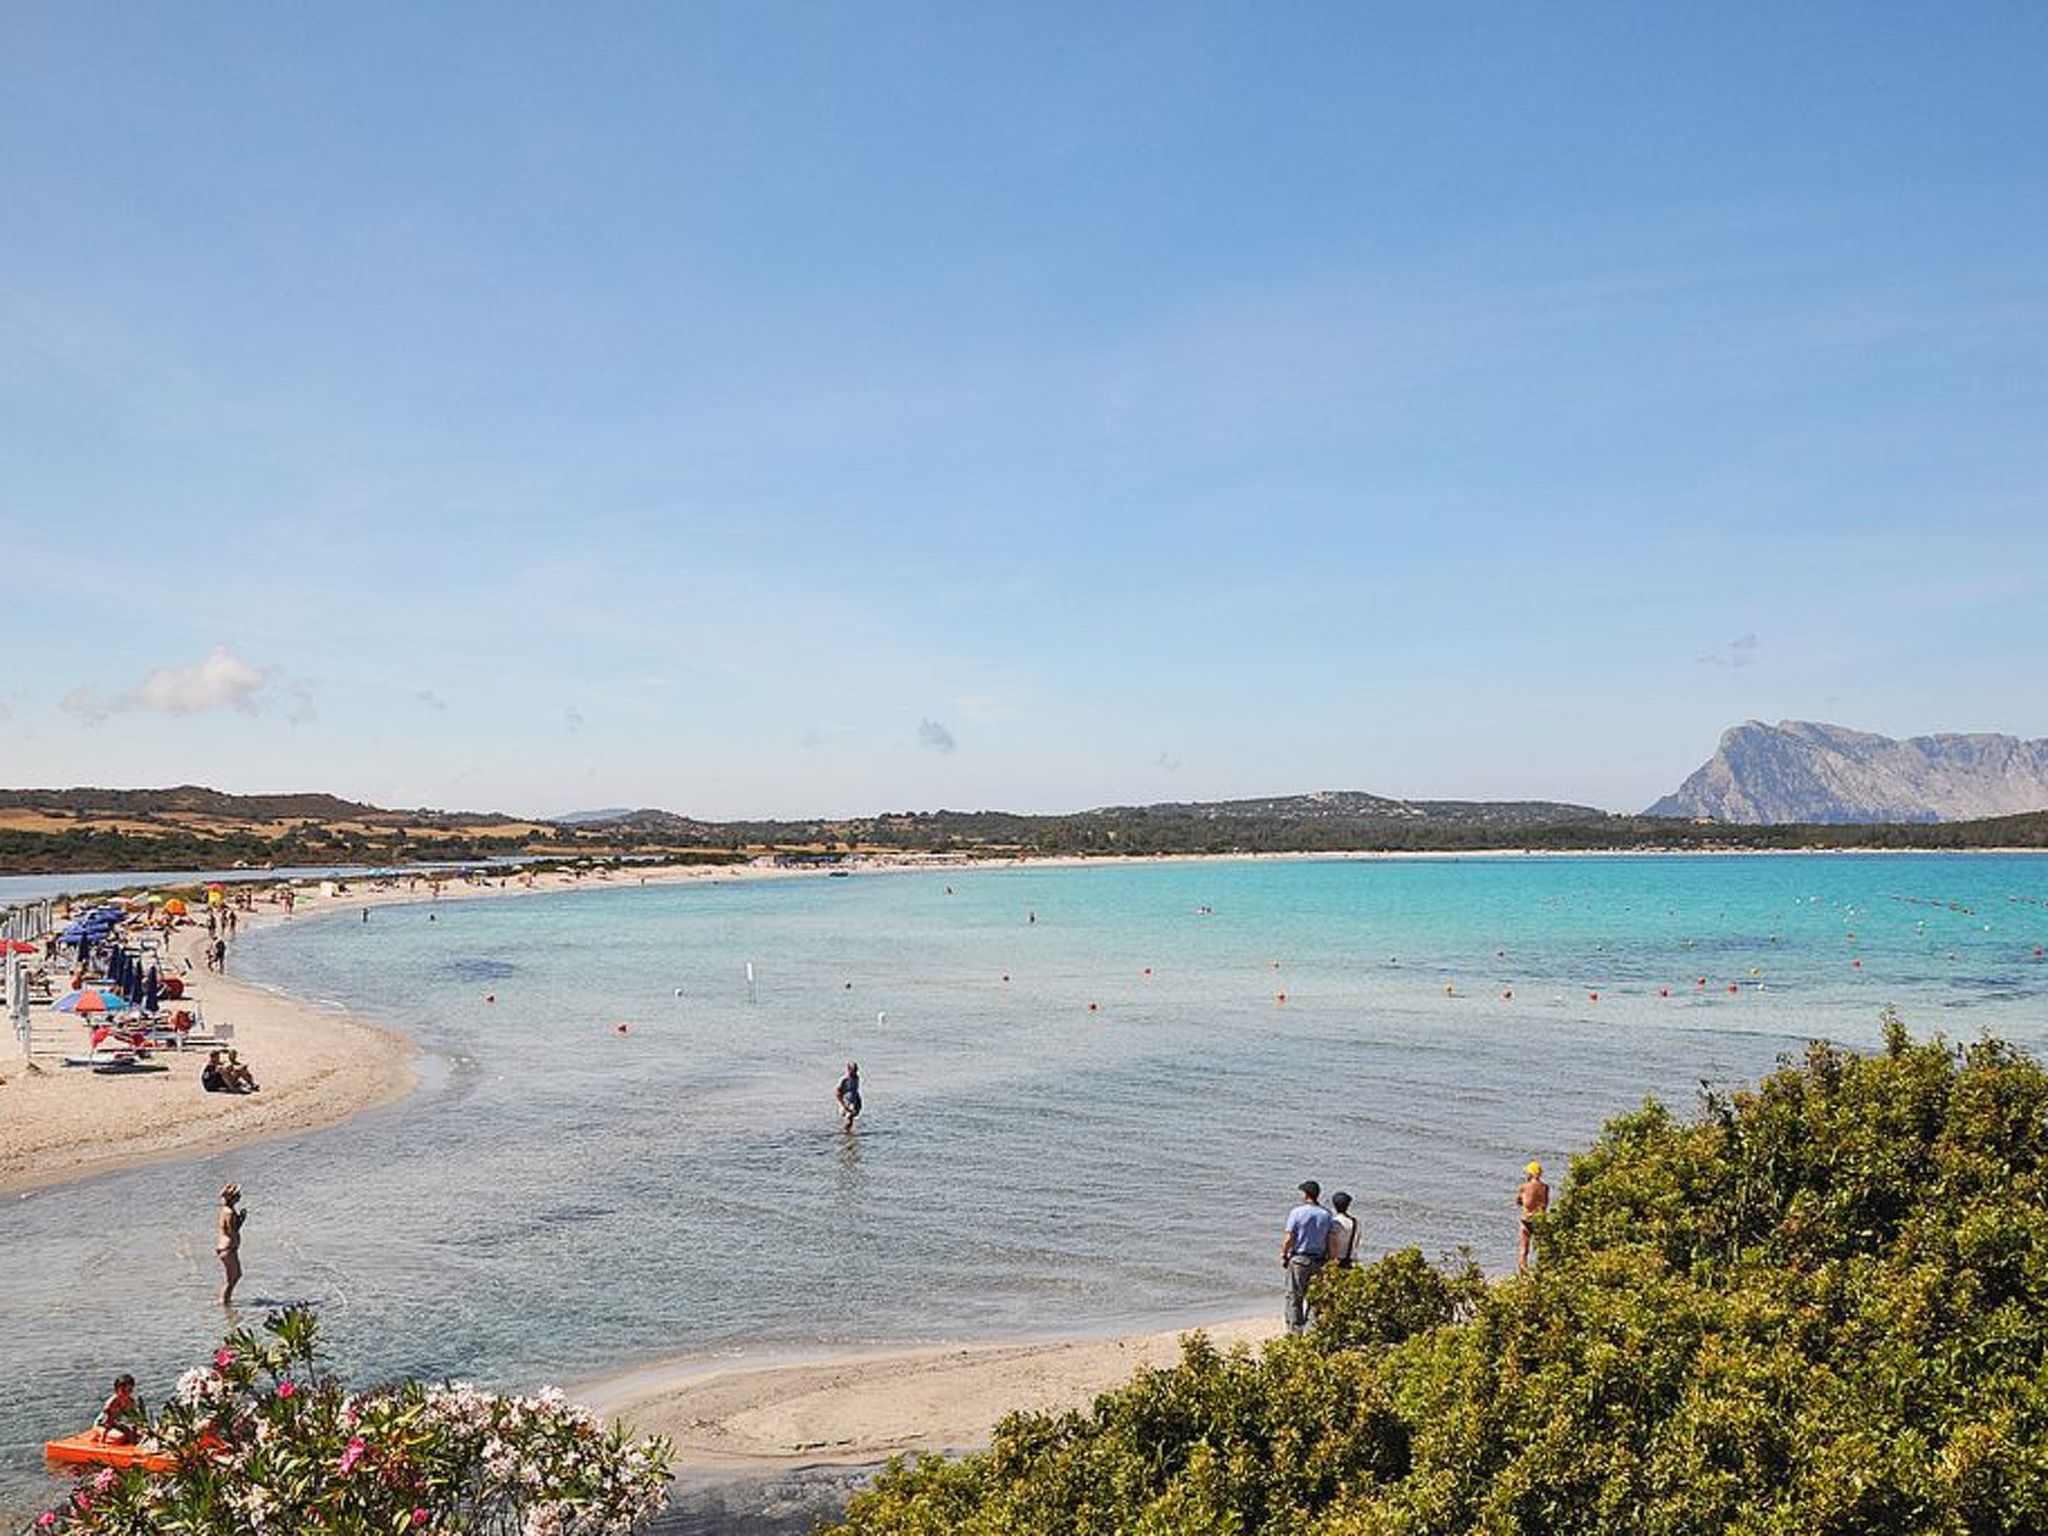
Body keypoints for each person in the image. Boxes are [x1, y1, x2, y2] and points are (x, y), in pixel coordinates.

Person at [1280, 1180, 1332, 1333]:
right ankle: (1311, 1329)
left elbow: (1289, 1237)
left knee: (1294, 1297)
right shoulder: (1326, 1214)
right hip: (1320, 1260)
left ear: (1306, 1194)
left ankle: (1295, 1332)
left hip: (1300, 1259)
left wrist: (1284, 1255)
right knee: (1315, 1298)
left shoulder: (1297, 1212)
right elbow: (1329, 1240)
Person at [1516, 1160, 1551, 1276]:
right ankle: (1541, 1272)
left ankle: (1522, 1276)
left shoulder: (1524, 1187)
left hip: (1526, 1220)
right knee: (1542, 1248)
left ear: (1530, 1173)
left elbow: (1518, 1202)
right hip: (1539, 1220)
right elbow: (1545, 1204)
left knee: (1523, 1251)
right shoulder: (1545, 1187)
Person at [217, 1183, 247, 1305]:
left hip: (225, 1248)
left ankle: (226, 1303)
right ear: (232, 1197)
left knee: (233, 1277)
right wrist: (241, 1221)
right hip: (228, 1249)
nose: (239, 1196)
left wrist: (239, 1219)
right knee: (233, 1278)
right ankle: (224, 1303)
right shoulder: (229, 1212)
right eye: (237, 1195)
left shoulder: (225, 1210)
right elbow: (231, 1231)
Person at [95, 1374, 145, 1444]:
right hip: (102, 1425)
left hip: (115, 1424)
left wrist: (139, 1429)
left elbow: (134, 1419)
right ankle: (98, 1436)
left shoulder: (130, 1401)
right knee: (120, 1438)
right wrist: (102, 1441)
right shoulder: (112, 1403)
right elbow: (108, 1421)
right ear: (116, 1390)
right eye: (123, 1390)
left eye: (129, 1390)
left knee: (135, 1435)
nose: (126, 1393)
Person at [1329, 1191, 1361, 1269]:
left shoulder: (1334, 1222)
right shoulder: (1355, 1222)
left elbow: (1332, 1243)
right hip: (1351, 1261)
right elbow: (1356, 1242)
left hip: (1337, 1261)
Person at [836, 1062, 862, 1131]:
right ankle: (844, 1133)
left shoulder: (857, 1078)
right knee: (848, 1119)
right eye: (854, 1070)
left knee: (850, 1120)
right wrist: (844, 1105)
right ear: (849, 1069)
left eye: (856, 1070)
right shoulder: (843, 1079)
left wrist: (859, 1102)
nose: (856, 1072)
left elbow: (856, 1091)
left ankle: (849, 1135)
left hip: (854, 1101)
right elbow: (837, 1093)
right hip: (845, 1101)